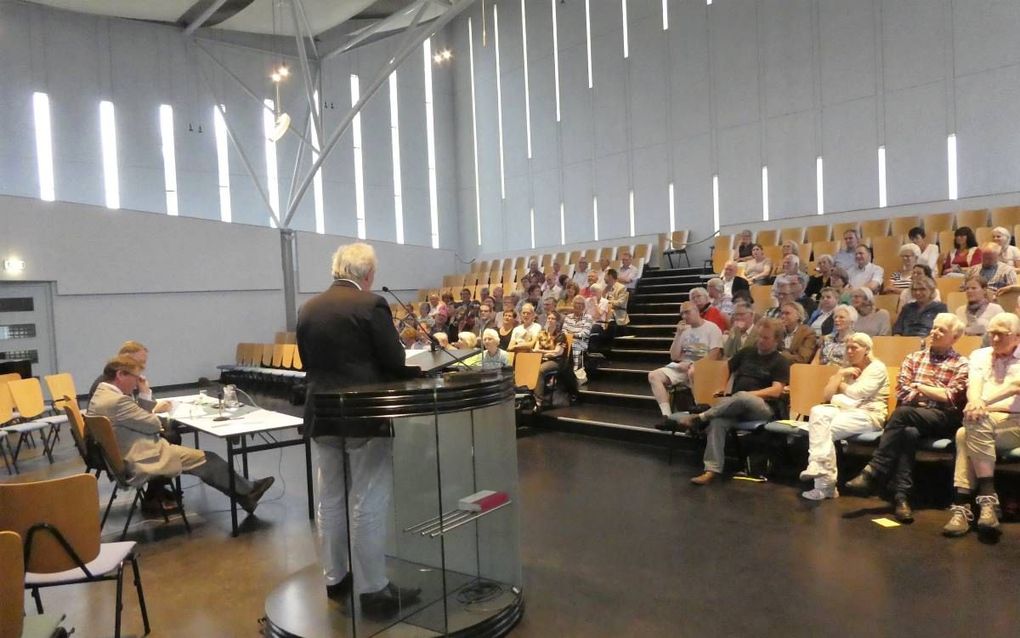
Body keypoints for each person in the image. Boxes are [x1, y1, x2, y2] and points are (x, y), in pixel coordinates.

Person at [296, 242, 421, 612]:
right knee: (367, 498)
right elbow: (394, 359)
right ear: (368, 275)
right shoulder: (371, 304)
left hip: (322, 412)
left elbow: (308, 361)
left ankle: (335, 578)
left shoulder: (309, 308)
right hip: (363, 415)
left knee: (330, 497)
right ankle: (373, 589)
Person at [90, 354, 274, 515]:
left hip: (125, 457)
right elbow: (153, 424)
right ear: (120, 375)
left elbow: (142, 419)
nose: (138, 383)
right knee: (209, 459)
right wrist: (146, 394)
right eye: (136, 378)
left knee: (199, 458)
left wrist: (147, 412)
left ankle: (246, 497)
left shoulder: (101, 395)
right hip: (142, 459)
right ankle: (248, 491)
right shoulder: (118, 401)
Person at [844, 314, 969, 523]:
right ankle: (902, 498)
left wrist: (919, 387)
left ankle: (875, 469)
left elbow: (951, 397)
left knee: (902, 413)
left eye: (941, 330)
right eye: (933, 328)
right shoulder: (914, 358)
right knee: (908, 432)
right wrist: (932, 391)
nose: (934, 333)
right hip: (913, 417)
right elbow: (902, 391)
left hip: (943, 419)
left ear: (954, 338)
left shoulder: (961, 363)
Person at [676, 319, 791, 485]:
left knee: (742, 396)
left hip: (763, 408)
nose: (760, 340)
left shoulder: (780, 361)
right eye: (759, 336)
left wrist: (749, 395)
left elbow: (776, 390)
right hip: (737, 405)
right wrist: (722, 387)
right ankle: (711, 469)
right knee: (717, 422)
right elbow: (726, 366)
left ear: (776, 340)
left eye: (766, 338)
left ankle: (700, 418)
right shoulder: (747, 352)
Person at [942, 313, 1020, 538]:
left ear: (1017, 336)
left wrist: (982, 402)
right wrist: (975, 400)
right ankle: (986, 503)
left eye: (1001, 334)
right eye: (991, 333)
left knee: (965, 432)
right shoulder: (980, 355)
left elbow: (1016, 385)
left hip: (1015, 421)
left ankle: (964, 507)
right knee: (966, 430)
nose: (994, 339)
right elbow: (974, 384)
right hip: (984, 419)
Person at [798, 333, 888, 500]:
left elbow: (858, 393)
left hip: (869, 415)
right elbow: (827, 395)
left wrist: (840, 384)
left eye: (854, 347)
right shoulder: (846, 367)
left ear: (867, 350)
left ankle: (824, 485)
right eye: (848, 347)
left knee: (824, 430)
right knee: (818, 411)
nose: (850, 351)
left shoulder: (877, 367)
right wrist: (840, 374)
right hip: (846, 411)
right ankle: (818, 468)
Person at [648, 302, 723, 424]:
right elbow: (674, 356)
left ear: (697, 311)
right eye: (681, 313)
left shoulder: (711, 328)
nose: (684, 316)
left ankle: (700, 413)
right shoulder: (684, 330)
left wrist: (694, 365)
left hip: (704, 367)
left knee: (692, 371)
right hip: (684, 367)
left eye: (687, 312)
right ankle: (667, 416)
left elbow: (714, 355)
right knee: (653, 375)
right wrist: (678, 334)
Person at [533, 311, 574, 410]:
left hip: (557, 361)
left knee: (540, 370)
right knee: (529, 366)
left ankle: (538, 401)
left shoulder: (560, 335)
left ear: (557, 321)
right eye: (549, 318)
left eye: (553, 319)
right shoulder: (542, 333)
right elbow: (535, 349)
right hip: (542, 359)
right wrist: (546, 352)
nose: (550, 320)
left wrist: (543, 352)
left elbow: (558, 352)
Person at [562, 295, 594, 370]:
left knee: (574, 346)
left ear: (584, 306)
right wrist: (571, 335)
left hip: (581, 342)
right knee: (560, 347)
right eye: (576, 303)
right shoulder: (568, 317)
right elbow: (563, 331)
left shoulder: (588, 317)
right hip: (567, 341)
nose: (579, 306)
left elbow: (584, 334)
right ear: (573, 305)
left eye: (581, 304)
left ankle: (575, 371)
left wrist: (571, 334)